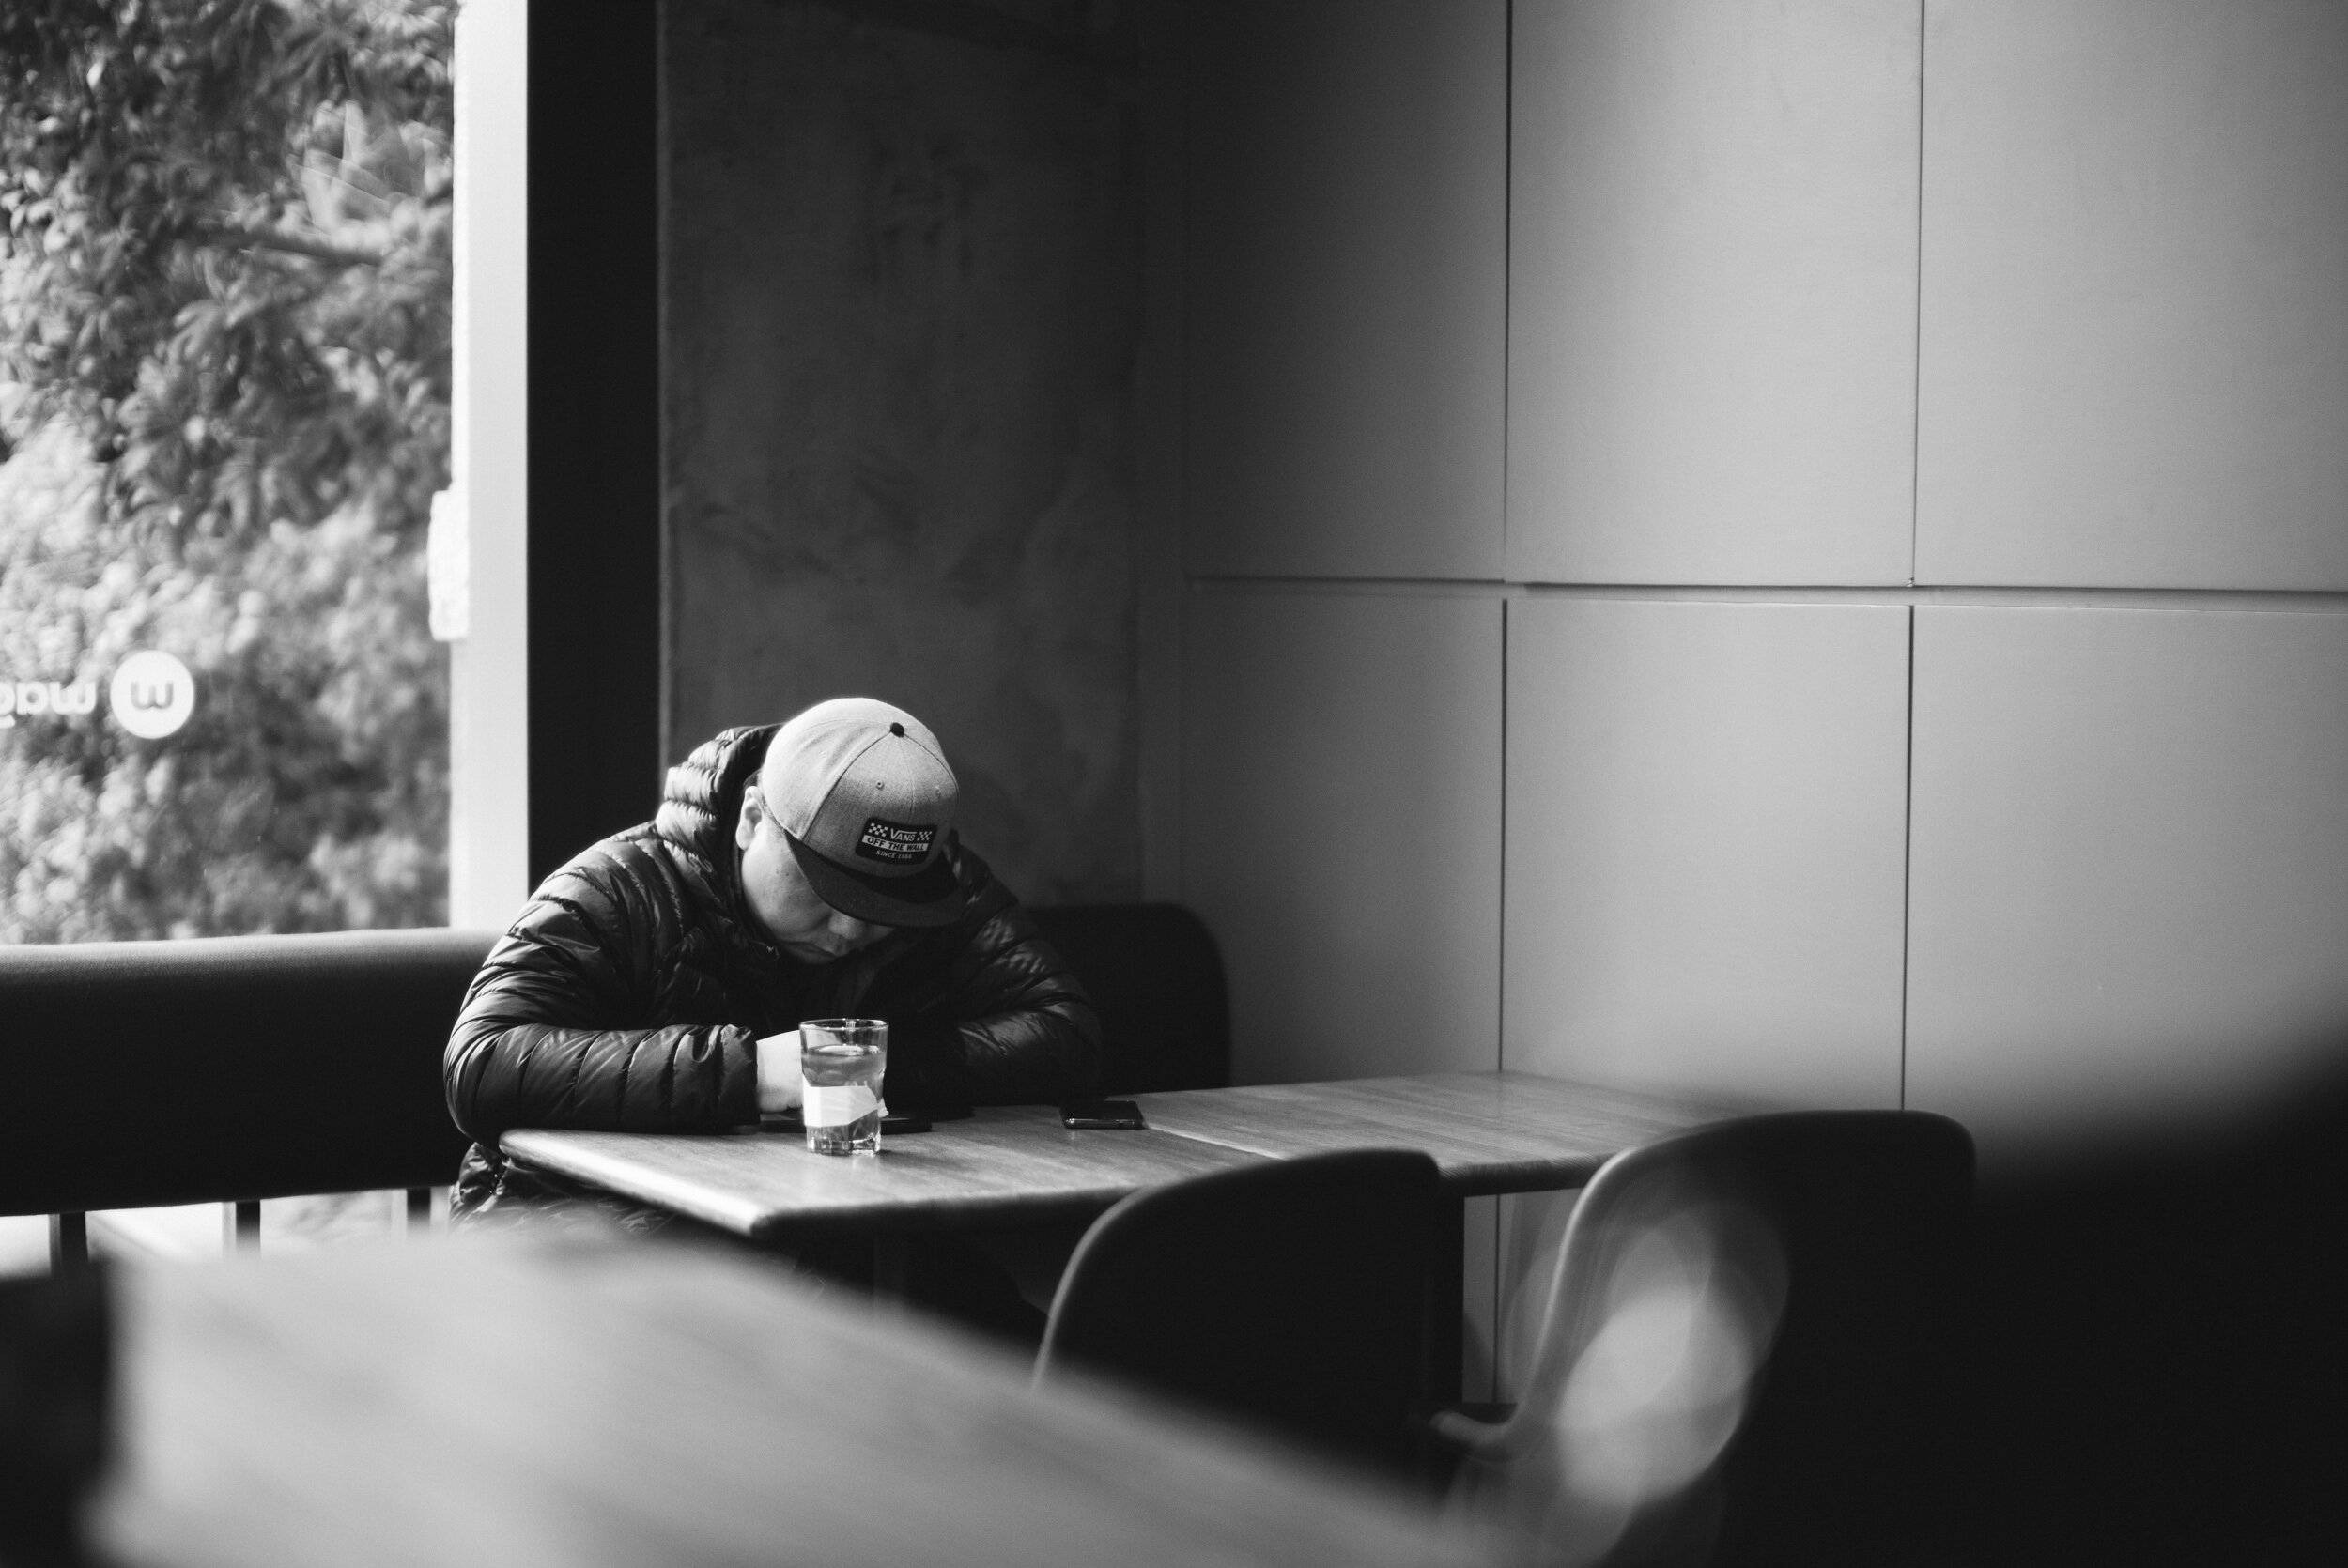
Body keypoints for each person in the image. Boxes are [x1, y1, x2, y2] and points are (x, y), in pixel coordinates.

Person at [442, 698, 1101, 1327]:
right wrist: (751, 1071)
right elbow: (480, 1062)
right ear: (752, 817)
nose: (850, 929)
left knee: (1005, 1337)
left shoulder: (940, 886)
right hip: (576, 1232)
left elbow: (1064, 1031)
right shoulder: (614, 888)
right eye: (826, 889)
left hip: (839, 1228)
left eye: (883, 906)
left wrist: (855, 1070)